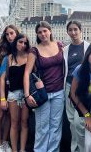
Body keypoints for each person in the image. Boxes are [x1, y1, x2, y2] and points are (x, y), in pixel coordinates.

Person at [23, 21, 65, 152]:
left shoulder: (59, 45)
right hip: (43, 93)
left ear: (50, 31)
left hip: (59, 91)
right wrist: (27, 95)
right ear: (37, 34)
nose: (43, 34)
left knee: (56, 126)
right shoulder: (34, 51)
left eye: (45, 31)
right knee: (42, 127)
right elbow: (26, 73)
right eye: (40, 32)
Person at [0, 25, 19, 152]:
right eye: (7, 34)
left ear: (17, 33)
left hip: (13, 86)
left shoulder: (21, 47)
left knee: (8, 116)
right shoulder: (1, 49)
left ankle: (6, 141)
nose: (9, 36)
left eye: (12, 33)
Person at [0, 34, 30, 152]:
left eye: (25, 43)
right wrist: (3, 98)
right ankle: (14, 150)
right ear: (15, 42)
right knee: (14, 123)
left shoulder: (30, 57)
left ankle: (22, 149)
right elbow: (2, 79)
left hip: (26, 94)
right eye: (20, 42)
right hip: (13, 94)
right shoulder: (9, 58)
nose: (23, 45)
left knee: (25, 122)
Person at [63, 20, 90, 152]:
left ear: (80, 30)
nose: (73, 33)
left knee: (79, 122)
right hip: (68, 86)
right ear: (67, 32)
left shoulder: (88, 47)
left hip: (83, 88)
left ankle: (83, 149)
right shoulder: (65, 49)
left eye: (75, 29)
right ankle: (75, 149)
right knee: (71, 121)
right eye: (70, 30)